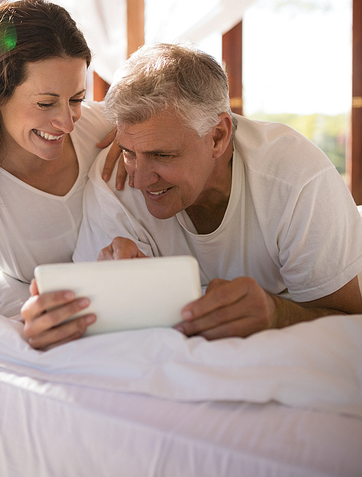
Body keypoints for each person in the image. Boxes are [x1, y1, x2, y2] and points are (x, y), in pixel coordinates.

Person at [23, 42, 362, 348]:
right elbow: (90, 329)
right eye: (128, 150)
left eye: (162, 155)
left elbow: (350, 320)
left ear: (217, 136)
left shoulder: (295, 177)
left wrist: (279, 313)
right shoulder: (115, 179)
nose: (139, 180)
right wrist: (68, 314)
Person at [0, 0, 121, 315]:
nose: (67, 121)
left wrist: (140, 134)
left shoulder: (100, 125)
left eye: (76, 99)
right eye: (46, 104)